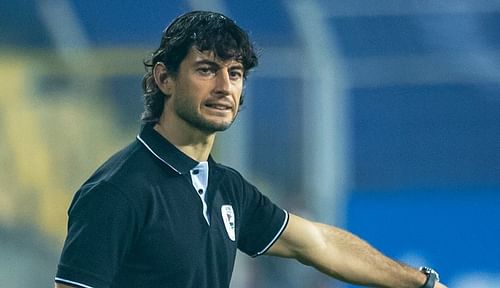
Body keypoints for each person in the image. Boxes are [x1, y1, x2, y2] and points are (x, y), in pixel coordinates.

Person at [54, 11, 447, 288]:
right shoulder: (118, 190)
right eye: (206, 69)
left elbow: (316, 244)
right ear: (164, 79)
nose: (224, 86)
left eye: (235, 73)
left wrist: (421, 283)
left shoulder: (225, 187)